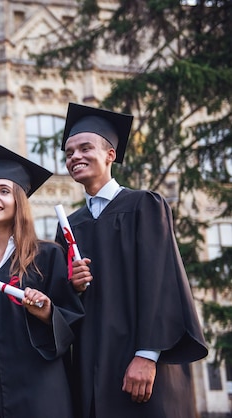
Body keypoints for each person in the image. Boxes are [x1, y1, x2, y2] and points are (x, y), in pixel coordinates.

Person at [57, 102, 208, 418]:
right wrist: (73, 286)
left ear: (110, 155)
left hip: (140, 364)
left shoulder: (144, 205)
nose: (75, 157)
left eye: (85, 148)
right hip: (91, 367)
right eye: (69, 153)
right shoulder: (70, 225)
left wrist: (147, 355)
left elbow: (163, 281)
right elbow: (64, 304)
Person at [0, 144, 85, 418]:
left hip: (41, 395)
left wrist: (47, 312)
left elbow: (72, 320)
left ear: (19, 200)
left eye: (4, 191)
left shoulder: (47, 257)